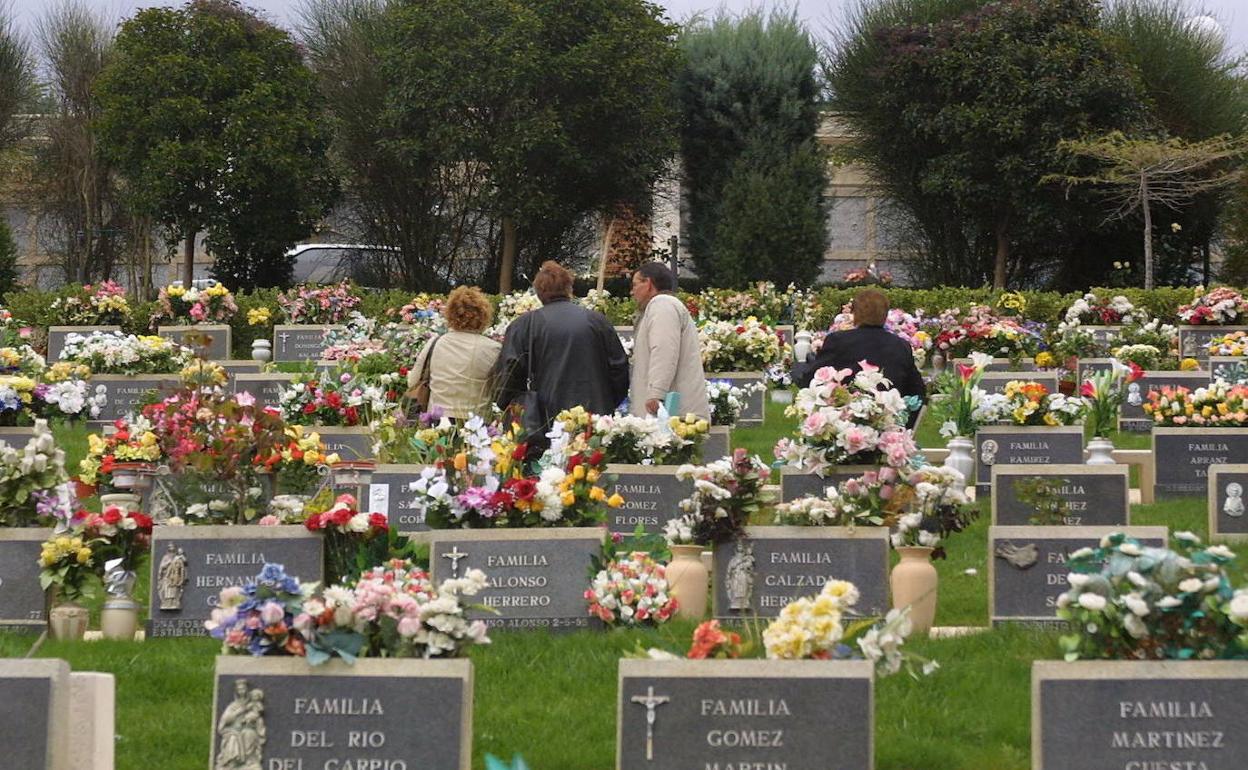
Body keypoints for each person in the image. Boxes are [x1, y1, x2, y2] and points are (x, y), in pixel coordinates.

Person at [494, 261, 629, 451]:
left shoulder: (524, 325)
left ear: (538, 292)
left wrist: (512, 405)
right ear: (569, 288)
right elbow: (619, 367)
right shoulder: (597, 321)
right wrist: (607, 401)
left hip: (544, 419)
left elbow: (509, 373)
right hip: (594, 417)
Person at [792, 287, 925, 428]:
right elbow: (917, 392)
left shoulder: (838, 341)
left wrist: (798, 368)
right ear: (885, 315)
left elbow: (811, 379)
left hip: (843, 425)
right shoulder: (900, 345)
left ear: (856, 314)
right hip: (888, 424)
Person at [628, 262, 709, 420]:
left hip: (669, 414)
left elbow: (664, 350)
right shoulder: (665, 305)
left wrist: (656, 392)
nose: (632, 292)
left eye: (635, 285)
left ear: (649, 283)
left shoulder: (662, 305)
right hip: (671, 412)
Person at [407, 286, 502, 419]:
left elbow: (413, 382)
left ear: (450, 313)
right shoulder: (494, 349)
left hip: (437, 422)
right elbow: (499, 390)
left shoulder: (435, 343)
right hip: (476, 425)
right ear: (484, 315)